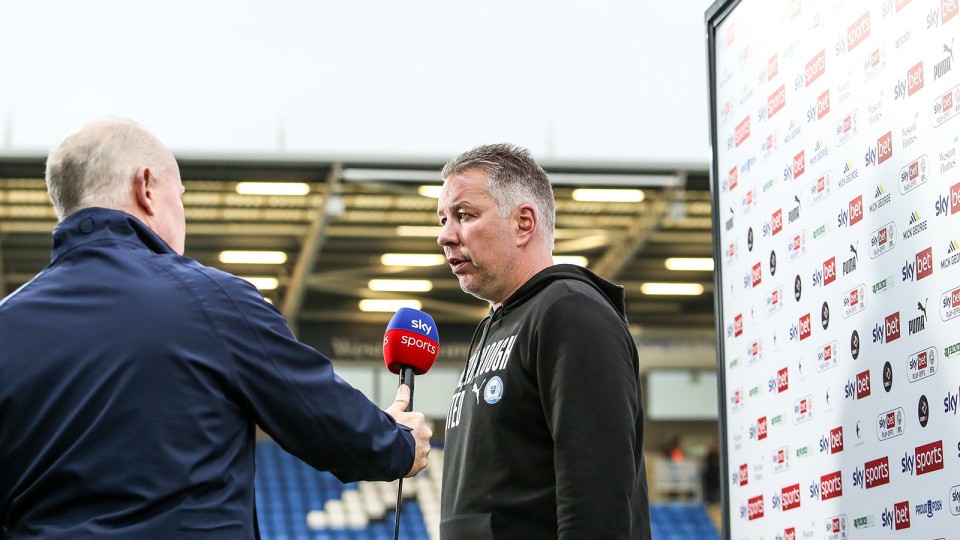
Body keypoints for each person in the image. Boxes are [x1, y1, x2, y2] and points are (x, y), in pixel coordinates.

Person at [0, 118, 432, 539]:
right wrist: (399, 440)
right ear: (146, 187)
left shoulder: (8, 323)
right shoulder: (211, 301)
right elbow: (328, 423)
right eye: (180, 196)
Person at [436, 143, 651, 539]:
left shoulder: (571, 312)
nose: (445, 236)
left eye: (464, 215)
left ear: (523, 223)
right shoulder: (493, 327)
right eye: (443, 218)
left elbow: (597, 496)